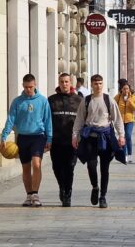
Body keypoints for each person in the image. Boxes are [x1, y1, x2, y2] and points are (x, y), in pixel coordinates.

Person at [72, 74, 125, 209]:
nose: (98, 86)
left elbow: (117, 119)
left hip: (105, 137)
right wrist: (75, 135)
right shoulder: (86, 100)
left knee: (105, 168)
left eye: (100, 83)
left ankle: (103, 196)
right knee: (91, 165)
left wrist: (121, 136)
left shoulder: (108, 100)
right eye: (96, 84)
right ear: (91, 85)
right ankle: (95, 187)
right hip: (90, 137)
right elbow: (79, 119)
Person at [1, 74, 52, 207]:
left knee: (36, 164)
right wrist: (4, 137)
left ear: (35, 85)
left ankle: (35, 194)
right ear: (23, 86)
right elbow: (10, 119)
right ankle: (29, 195)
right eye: (26, 87)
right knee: (25, 167)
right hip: (23, 137)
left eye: (30, 87)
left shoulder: (42, 101)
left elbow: (48, 121)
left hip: (38, 136)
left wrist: (50, 138)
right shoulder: (18, 101)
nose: (28, 89)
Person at [48, 73, 82, 207]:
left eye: (67, 82)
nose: (64, 84)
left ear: (71, 83)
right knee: (56, 167)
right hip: (56, 141)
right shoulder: (51, 100)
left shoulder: (79, 100)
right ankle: (62, 187)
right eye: (62, 82)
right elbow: (46, 120)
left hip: (72, 142)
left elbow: (83, 119)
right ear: (59, 83)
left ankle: (67, 192)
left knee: (69, 168)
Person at [114, 83, 135, 163]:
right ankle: (124, 155)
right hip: (120, 121)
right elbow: (112, 105)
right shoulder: (117, 97)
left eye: (127, 89)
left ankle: (130, 154)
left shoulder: (133, 98)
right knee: (122, 137)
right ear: (121, 89)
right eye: (124, 89)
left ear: (129, 89)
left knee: (128, 136)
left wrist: (130, 102)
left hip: (129, 120)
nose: (125, 90)